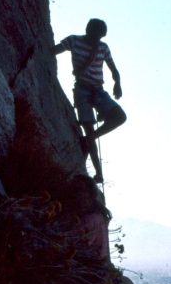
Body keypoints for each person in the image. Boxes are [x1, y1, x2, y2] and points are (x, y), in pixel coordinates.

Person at [52, 18, 126, 183]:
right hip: (82, 90)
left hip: (98, 90)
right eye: (95, 36)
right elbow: (54, 50)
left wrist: (117, 84)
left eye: (99, 38)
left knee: (120, 117)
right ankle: (98, 172)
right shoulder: (74, 41)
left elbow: (114, 69)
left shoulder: (103, 47)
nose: (97, 41)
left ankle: (89, 139)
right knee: (89, 128)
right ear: (88, 30)